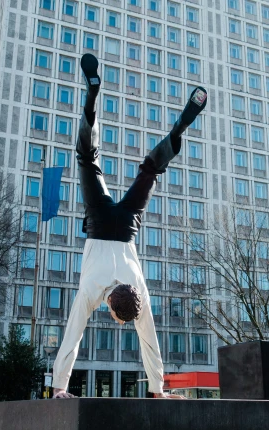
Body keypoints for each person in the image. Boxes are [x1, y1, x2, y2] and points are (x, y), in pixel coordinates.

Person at [52, 54, 207, 399]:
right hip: (99, 222)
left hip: (126, 226)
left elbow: (149, 342)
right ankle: (91, 98)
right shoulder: (93, 291)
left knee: (150, 170)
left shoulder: (138, 290)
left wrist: (158, 389)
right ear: (110, 306)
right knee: (87, 159)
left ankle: (177, 130)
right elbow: (73, 337)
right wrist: (59, 387)